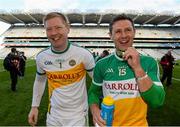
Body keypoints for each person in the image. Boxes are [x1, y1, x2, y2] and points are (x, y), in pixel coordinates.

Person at [88, 14, 165, 126]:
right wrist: (94, 110)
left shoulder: (149, 62)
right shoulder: (101, 64)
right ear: (111, 35)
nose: (123, 35)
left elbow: (157, 102)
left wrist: (138, 68)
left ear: (134, 32)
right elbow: (93, 93)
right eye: (118, 31)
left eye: (128, 30)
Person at [28, 12, 95, 126]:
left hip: (77, 116)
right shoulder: (42, 57)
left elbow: (97, 82)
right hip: (53, 116)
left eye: (58, 27)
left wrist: (97, 107)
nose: (54, 33)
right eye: (49, 29)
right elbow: (40, 80)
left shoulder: (83, 54)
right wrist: (34, 107)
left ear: (67, 28)